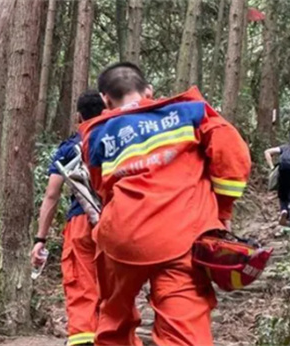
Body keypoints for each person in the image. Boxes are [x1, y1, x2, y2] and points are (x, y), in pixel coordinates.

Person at [79, 62, 251, 346]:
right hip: (181, 236)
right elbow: (234, 155)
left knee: (113, 320)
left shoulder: (96, 134)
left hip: (121, 237)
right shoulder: (190, 112)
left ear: (105, 99)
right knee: (184, 329)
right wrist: (222, 210)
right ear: (149, 91)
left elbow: (102, 188)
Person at [30, 90, 106, 346]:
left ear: (78, 116)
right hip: (119, 223)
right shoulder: (118, 139)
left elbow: (52, 196)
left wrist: (40, 239)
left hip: (81, 222)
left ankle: (84, 339)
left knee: (82, 287)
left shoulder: (69, 147)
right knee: (116, 290)